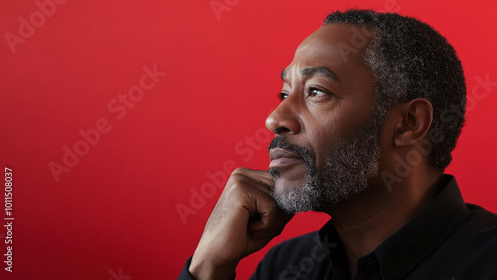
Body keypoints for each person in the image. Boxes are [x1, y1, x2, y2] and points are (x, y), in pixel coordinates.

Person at [179, 9, 497, 280]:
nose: (274, 119)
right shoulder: (284, 268)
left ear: (409, 123)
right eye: (285, 93)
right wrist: (209, 265)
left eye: (317, 91)